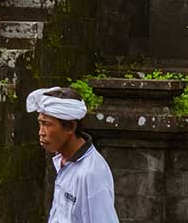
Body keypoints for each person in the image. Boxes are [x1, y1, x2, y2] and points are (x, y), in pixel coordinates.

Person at [26, 86, 119, 223]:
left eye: (46, 124)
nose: (41, 132)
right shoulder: (62, 160)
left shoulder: (91, 174)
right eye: (40, 124)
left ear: (70, 127)